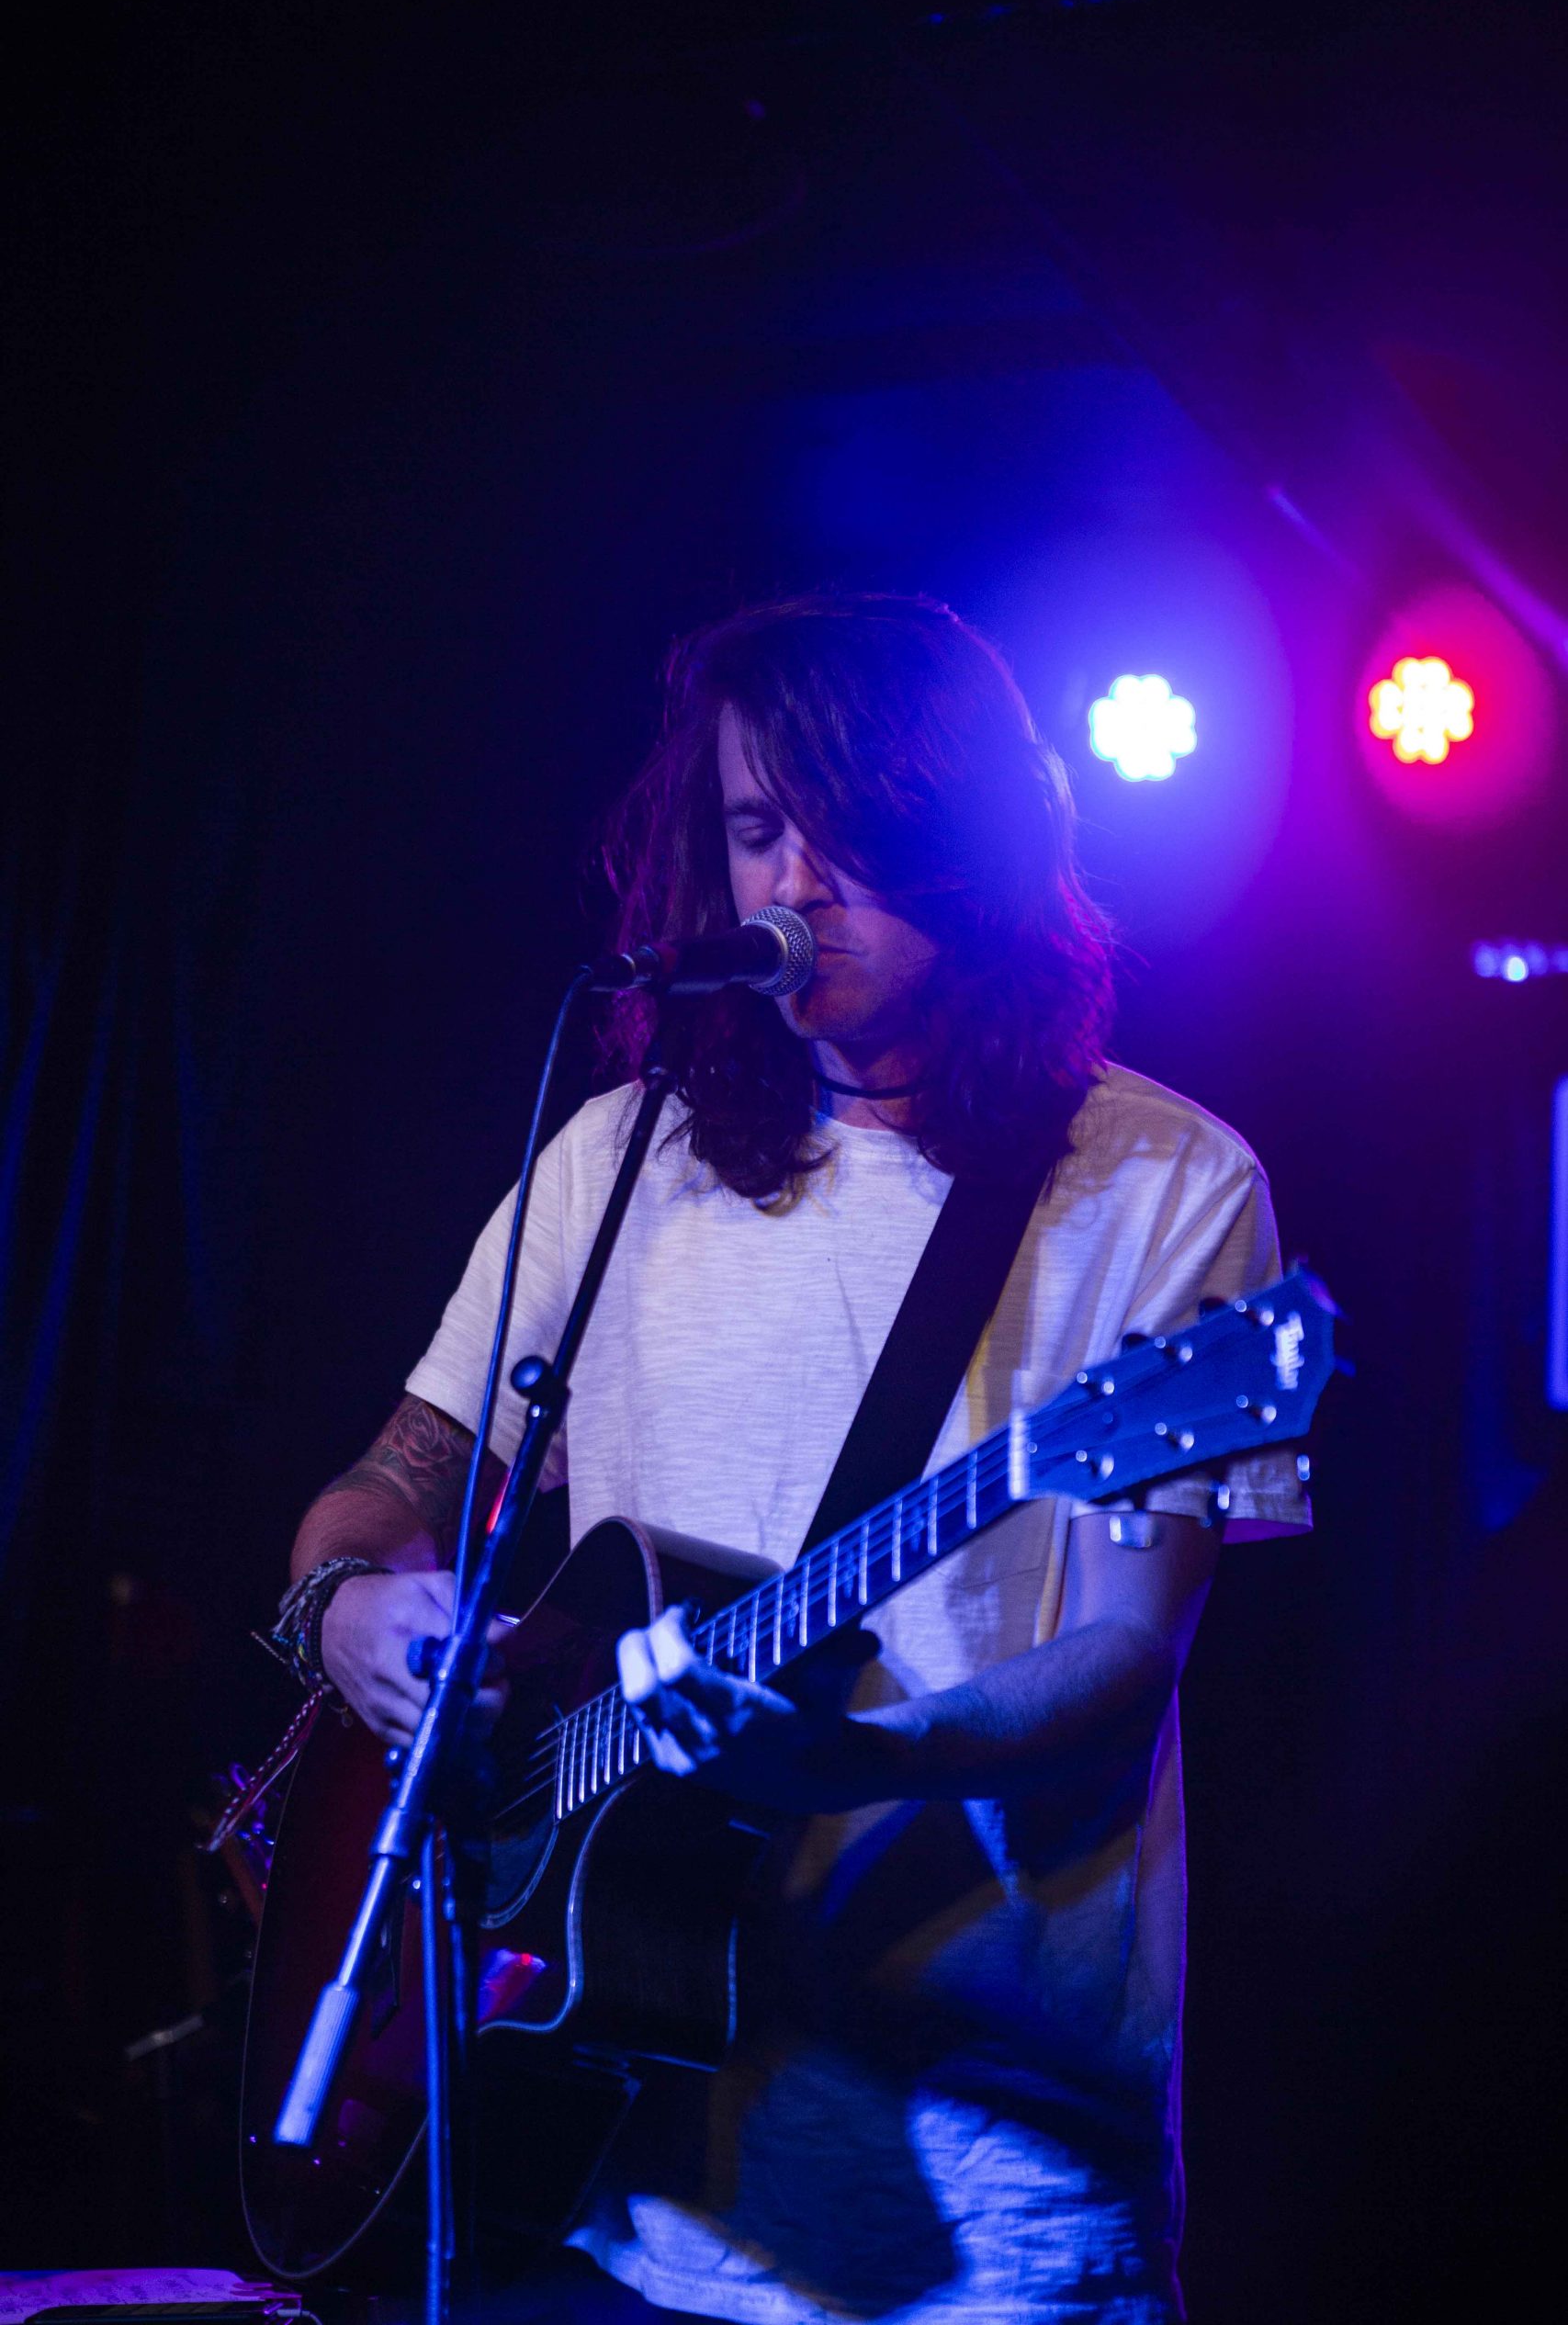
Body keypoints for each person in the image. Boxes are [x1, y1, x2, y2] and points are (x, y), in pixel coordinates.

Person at [283, 593, 1309, 2323]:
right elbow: (384, 1492)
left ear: (973, 842)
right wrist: (351, 1616)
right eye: (757, 829)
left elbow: (1128, 1654)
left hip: (984, 2200)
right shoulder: (621, 1157)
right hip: (591, 2162)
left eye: (849, 833)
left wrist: (856, 1758)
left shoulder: (1165, 1184)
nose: (792, 886)